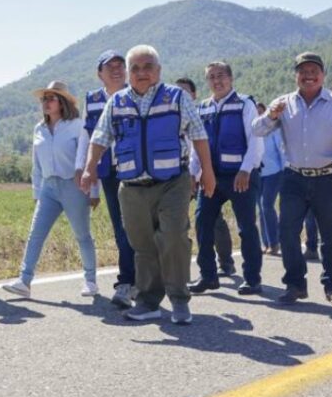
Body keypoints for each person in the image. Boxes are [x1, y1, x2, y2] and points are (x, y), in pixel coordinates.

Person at [84, 46, 216, 325]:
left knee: (172, 237)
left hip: (172, 182)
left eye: (147, 67)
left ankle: (179, 300)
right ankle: (148, 302)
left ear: (158, 71)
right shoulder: (117, 102)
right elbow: (100, 137)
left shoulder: (177, 97)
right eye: (136, 68)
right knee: (142, 245)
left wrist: (207, 172)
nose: (141, 73)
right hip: (131, 187)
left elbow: (199, 135)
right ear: (130, 74)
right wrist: (88, 169)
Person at [252, 52, 332, 306]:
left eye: (314, 71)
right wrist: (271, 116)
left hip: (328, 177)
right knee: (288, 232)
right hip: (294, 178)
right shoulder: (283, 103)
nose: (308, 75)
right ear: (296, 76)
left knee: (331, 235)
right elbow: (257, 129)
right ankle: (295, 284)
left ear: (323, 74)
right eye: (303, 71)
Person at [3, 82, 98, 299]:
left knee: (82, 235)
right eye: (44, 99)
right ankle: (24, 281)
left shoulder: (77, 125)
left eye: (51, 98)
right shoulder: (39, 129)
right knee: (35, 234)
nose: (46, 102)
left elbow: (87, 159)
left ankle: (90, 281)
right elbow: (36, 165)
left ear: (62, 101)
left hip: (73, 186)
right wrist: (37, 193)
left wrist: (93, 191)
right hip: (48, 187)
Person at [188, 62, 265, 295]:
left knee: (246, 228)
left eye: (220, 76)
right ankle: (208, 276)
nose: (216, 81)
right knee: (203, 223)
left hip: (240, 176)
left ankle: (252, 278)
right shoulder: (202, 108)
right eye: (211, 77)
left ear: (230, 78)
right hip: (212, 177)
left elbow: (256, 140)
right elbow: (196, 145)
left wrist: (246, 170)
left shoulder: (245, 104)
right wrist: (193, 173)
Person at [77, 50, 137, 308]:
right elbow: (86, 135)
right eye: (109, 66)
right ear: (99, 74)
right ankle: (128, 281)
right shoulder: (91, 100)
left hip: (134, 170)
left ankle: (142, 279)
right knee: (120, 228)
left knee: (140, 228)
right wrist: (83, 168)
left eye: (119, 65)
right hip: (109, 174)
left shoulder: (136, 94)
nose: (115, 69)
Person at [176, 77, 236, 276]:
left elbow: (203, 149)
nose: (181, 96)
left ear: (193, 95)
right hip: (178, 176)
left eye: (185, 92)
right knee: (179, 224)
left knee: (214, 220)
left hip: (202, 174)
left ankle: (226, 262)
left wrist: (200, 174)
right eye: (177, 92)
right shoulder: (169, 118)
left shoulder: (202, 114)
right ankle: (184, 271)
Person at [257, 101, 284, 256]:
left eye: (261, 112)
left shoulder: (273, 131)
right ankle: (266, 243)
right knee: (261, 209)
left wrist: (284, 172)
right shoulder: (252, 132)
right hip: (257, 174)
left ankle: (274, 243)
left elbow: (281, 152)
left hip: (274, 173)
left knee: (266, 205)